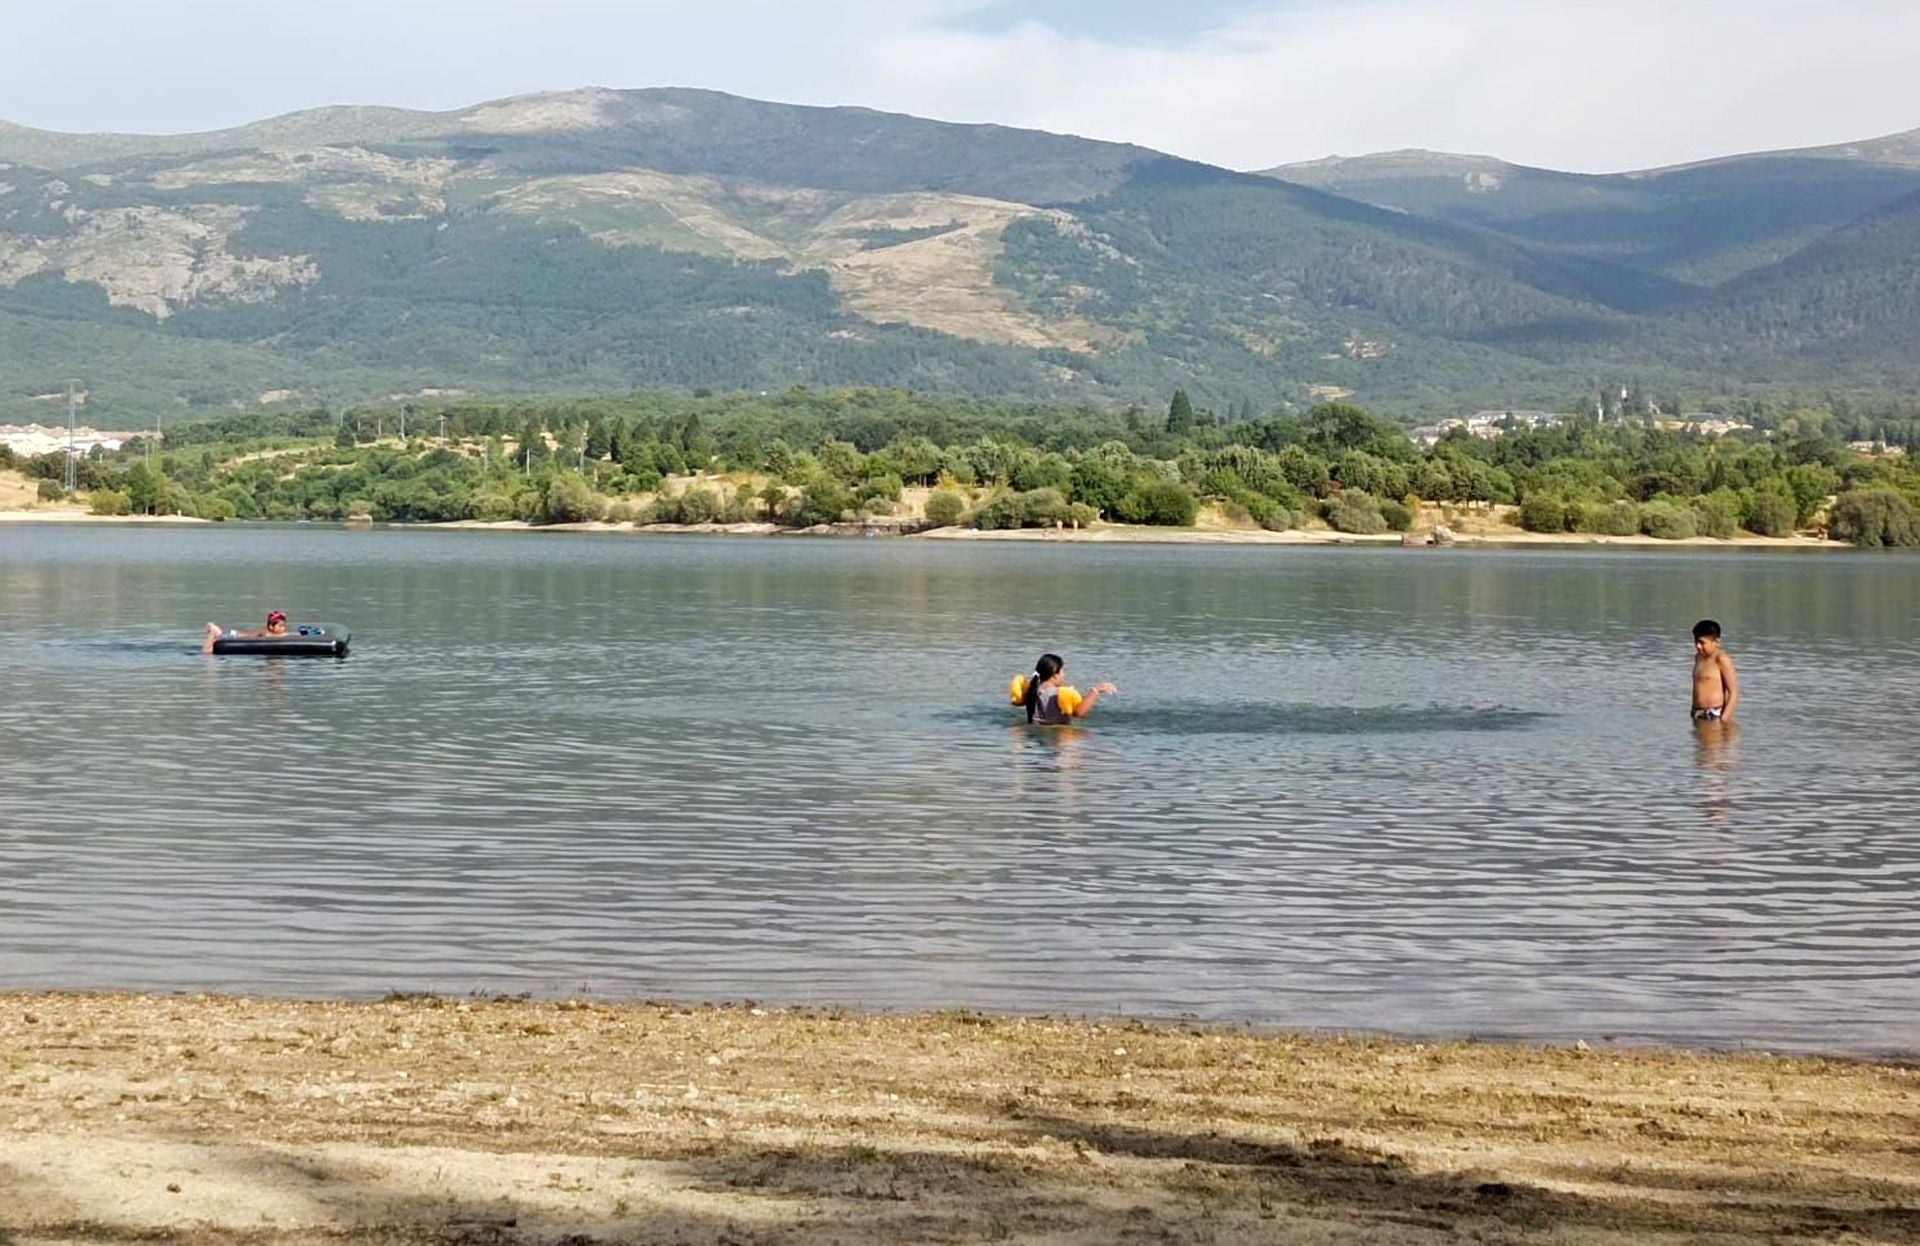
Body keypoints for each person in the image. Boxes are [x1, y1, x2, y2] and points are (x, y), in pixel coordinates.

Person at [1010, 653, 1117, 725]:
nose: (1064, 675)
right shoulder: (1058, 694)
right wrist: (1095, 691)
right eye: (1062, 671)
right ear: (1054, 673)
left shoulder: (1030, 691)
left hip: (1034, 732)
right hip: (1057, 737)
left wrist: (1085, 696)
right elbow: (1079, 713)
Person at [1691, 619, 1738, 723]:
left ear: (1716, 642)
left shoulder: (1721, 660)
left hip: (1714, 713)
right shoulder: (1698, 658)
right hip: (1697, 713)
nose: (1698, 646)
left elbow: (1733, 693)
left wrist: (1723, 720)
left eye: (1702, 642)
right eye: (1696, 641)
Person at [204, 610, 290, 653]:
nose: (283, 628)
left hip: (233, 634)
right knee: (207, 652)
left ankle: (215, 630)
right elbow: (276, 636)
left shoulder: (268, 632)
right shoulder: (266, 633)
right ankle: (213, 630)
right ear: (271, 626)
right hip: (232, 636)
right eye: (281, 626)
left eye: (284, 626)